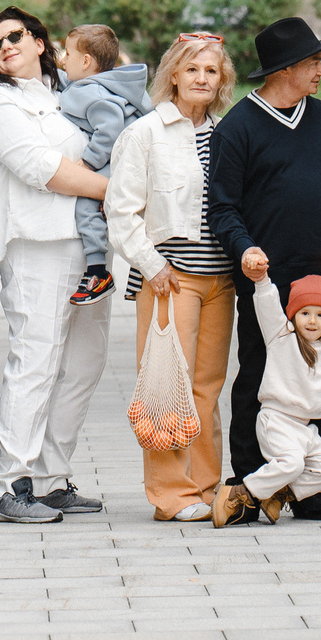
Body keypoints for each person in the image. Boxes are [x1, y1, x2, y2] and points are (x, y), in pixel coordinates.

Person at [207, 16, 321, 526]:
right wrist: (245, 248)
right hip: (265, 277)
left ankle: (306, 489)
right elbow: (223, 207)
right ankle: (249, 482)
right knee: (258, 373)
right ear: (286, 68)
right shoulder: (238, 128)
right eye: (315, 60)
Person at [0, 5, 113, 524]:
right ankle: (11, 485)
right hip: (34, 242)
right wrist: (117, 192)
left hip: (91, 246)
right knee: (36, 359)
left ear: (38, 41)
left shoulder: (71, 94)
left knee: (83, 363)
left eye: (15, 36)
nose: (5, 46)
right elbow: (40, 168)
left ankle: (52, 479)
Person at [105, 31, 242, 521]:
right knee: (168, 384)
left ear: (221, 79)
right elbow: (120, 211)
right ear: (174, 77)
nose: (202, 78)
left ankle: (205, 488)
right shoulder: (146, 134)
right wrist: (152, 264)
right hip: (171, 278)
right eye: (192, 69)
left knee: (207, 386)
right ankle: (171, 495)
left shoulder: (227, 131)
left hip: (220, 279)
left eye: (211, 70)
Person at [55, 24, 149, 305]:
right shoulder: (99, 83)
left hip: (118, 157)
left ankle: (98, 272)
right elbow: (64, 80)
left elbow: (109, 127)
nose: (62, 59)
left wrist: (87, 162)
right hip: (131, 156)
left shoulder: (90, 92)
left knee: (87, 204)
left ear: (85, 62)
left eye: (68, 54)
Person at [240, 274, 321, 522]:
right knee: (293, 464)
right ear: (293, 315)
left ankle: (279, 495)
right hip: (276, 420)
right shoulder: (281, 336)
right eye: (304, 313)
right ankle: (244, 492)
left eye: (320, 315)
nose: (312, 321)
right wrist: (261, 278)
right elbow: (266, 303)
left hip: (305, 428)